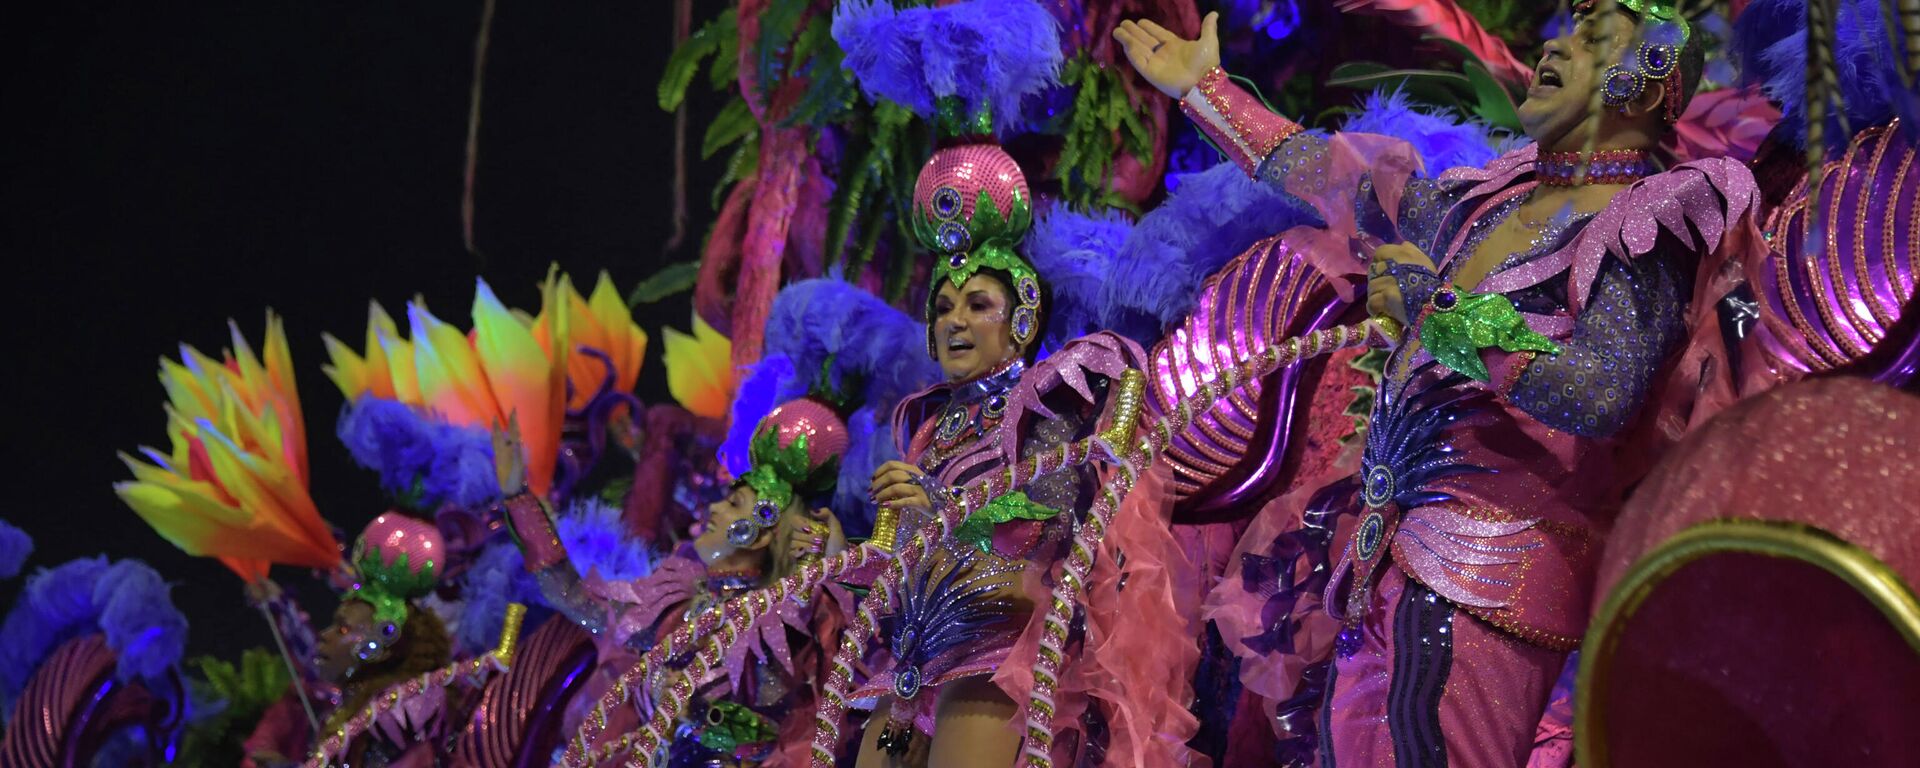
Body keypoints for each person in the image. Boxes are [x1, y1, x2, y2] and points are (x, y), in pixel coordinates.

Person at [1117, 1, 1761, 764]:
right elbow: (1333, 177)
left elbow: (1599, 392)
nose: (1553, 46)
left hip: (1495, 571)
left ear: (1647, 81)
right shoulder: (1486, 203)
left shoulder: (1652, 212)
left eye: (1589, 39)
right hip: (1383, 558)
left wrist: (1444, 312)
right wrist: (1207, 92)